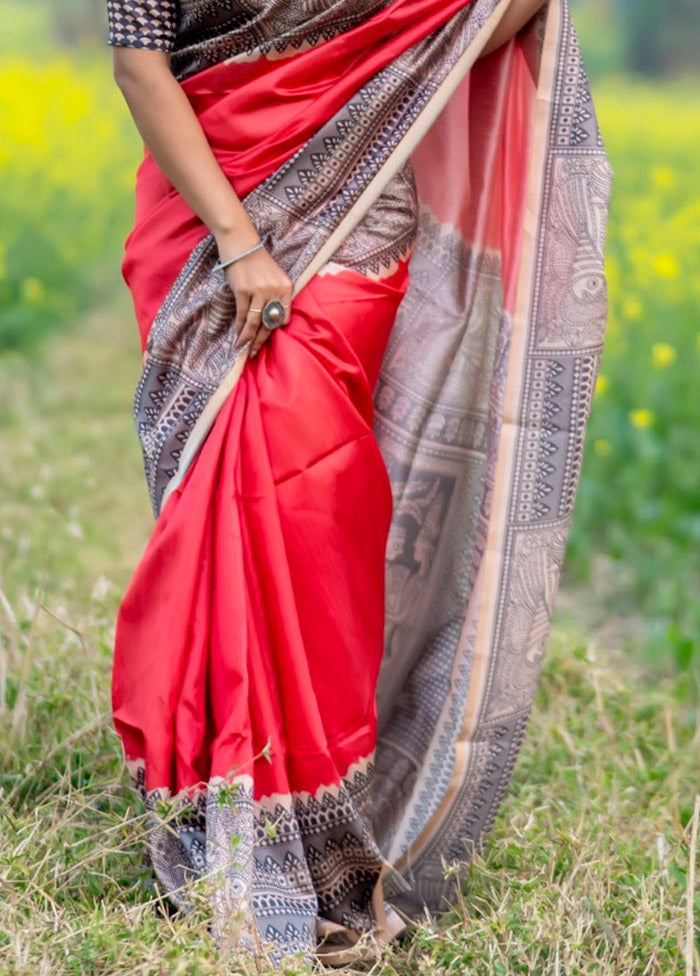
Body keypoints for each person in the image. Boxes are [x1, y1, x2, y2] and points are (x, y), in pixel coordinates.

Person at [107, 0, 612, 967]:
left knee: (307, 503)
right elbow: (140, 67)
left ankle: (326, 823)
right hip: (203, 210)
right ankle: (223, 815)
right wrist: (240, 243)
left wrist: (395, 73)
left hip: (357, 196)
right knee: (222, 495)